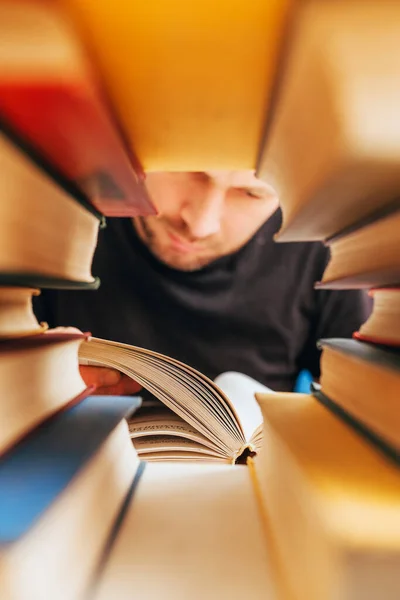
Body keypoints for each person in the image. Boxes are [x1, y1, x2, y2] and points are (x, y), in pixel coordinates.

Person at [34, 170, 371, 395]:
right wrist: (31, 387)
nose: (200, 224)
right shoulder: (57, 212)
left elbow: (365, 401)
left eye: (252, 194)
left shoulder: (323, 249)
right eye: (191, 172)